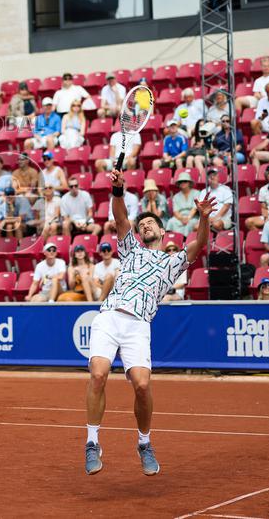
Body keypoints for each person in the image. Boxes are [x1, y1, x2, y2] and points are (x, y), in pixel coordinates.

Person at [84, 168, 215, 476]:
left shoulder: (172, 263)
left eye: (149, 223)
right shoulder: (130, 251)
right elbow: (120, 219)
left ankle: (144, 442)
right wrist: (117, 191)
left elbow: (199, 245)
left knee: (142, 385)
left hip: (139, 324)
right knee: (98, 374)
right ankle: (92, 442)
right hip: (110, 316)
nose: (144, 227)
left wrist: (204, 217)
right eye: (141, 225)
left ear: (162, 230)